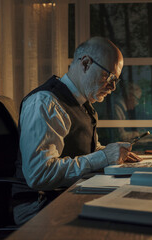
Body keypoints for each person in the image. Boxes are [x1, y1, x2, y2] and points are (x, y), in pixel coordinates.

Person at [14, 37, 141, 224]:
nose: (113, 87)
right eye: (110, 77)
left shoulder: (83, 105)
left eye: (116, 80)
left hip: (66, 194)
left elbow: (86, 151)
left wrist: (113, 152)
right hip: (38, 207)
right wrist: (104, 157)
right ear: (86, 63)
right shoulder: (46, 102)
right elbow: (39, 174)